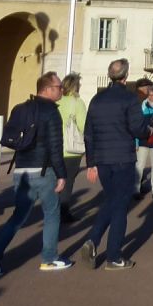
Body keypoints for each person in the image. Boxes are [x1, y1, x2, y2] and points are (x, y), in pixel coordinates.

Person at [0, 72, 71, 277]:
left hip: (21, 169)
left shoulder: (21, 108)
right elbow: (56, 147)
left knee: (18, 217)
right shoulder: (51, 112)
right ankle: (49, 258)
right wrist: (62, 174)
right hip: (43, 170)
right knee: (52, 213)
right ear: (47, 89)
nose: (61, 91)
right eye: (58, 87)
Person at [83, 58, 148, 270]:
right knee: (120, 206)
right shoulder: (130, 99)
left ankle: (93, 240)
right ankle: (114, 256)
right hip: (122, 158)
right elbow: (138, 129)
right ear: (126, 76)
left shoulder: (96, 99)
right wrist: (149, 131)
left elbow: (89, 134)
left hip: (103, 159)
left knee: (111, 200)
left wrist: (91, 161)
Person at [56, 74, 86, 222]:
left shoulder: (56, 102)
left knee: (55, 180)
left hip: (55, 148)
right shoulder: (77, 103)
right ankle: (63, 210)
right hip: (71, 149)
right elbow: (83, 125)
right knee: (67, 182)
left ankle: (53, 209)